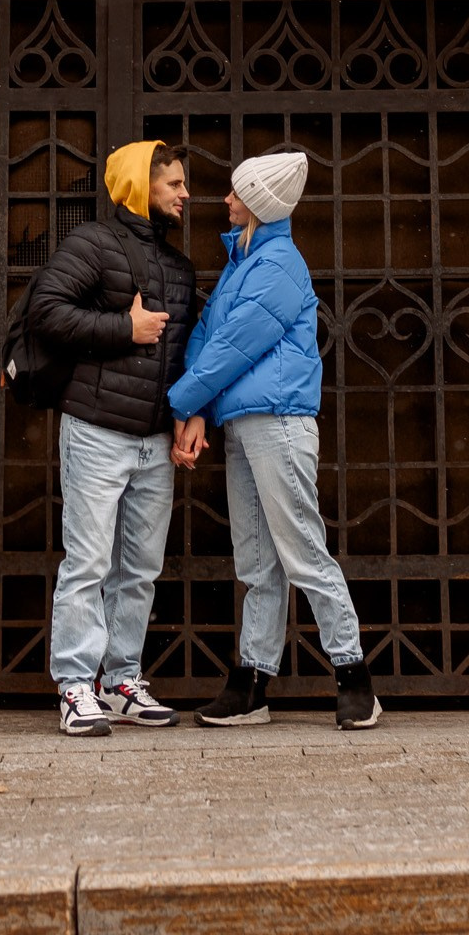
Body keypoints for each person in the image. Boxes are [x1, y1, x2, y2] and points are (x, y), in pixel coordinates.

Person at [168, 149, 379, 731]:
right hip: (244, 425)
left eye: (236, 194)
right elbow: (208, 341)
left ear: (257, 204)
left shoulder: (278, 266)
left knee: (303, 552)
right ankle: (252, 684)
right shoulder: (243, 261)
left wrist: (183, 406)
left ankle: (353, 674)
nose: (225, 200)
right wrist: (199, 416)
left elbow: (233, 348)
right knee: (257, 562)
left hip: (280, 424)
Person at [28, 140, 201, 736]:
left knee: (140, 569)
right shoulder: (92, 244)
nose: (185, 194)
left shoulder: (179, 267)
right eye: (174, 183)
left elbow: (180, 354)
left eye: (183, 184)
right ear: (138, 183)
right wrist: (123, 328)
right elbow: (45, 311)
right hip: (96, 431)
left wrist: (188, 414)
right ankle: (76, 686)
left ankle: (122, 679)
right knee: (88, 563)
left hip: (154, 442)